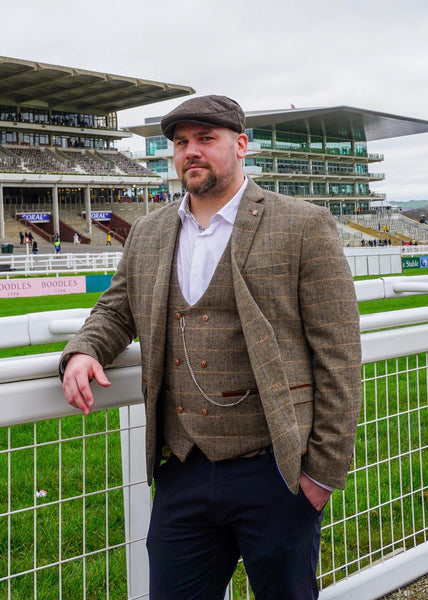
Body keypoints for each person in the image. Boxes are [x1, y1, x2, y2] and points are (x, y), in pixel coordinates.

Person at [59, 95, 361, 600]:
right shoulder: (150, 231)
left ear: (241, 145)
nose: (190, 152)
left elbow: (340, 355)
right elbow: (116, 309)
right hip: (183, 469)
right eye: (181, 143)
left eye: (206, 139)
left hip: (279, 472)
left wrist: (321, 476)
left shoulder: (303, 224)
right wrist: (85, 350)